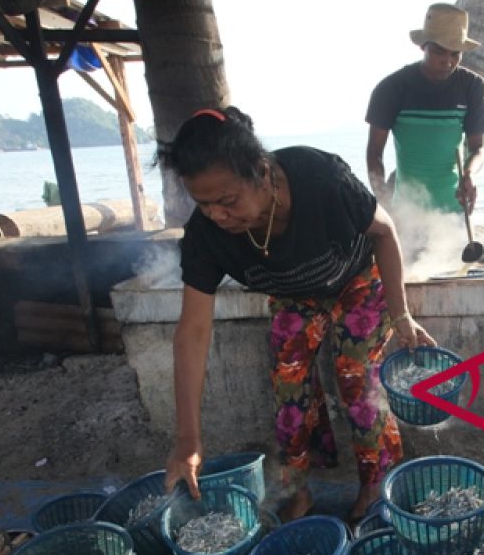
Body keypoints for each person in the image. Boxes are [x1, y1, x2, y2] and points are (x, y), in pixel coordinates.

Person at [160, 107, 436, 524]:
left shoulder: (320, 177)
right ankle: (298, 488)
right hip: (294, 296)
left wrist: (401, 316)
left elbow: (384, 231)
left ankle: (375, 483)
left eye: (228, 201)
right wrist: (187, 441)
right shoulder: (205, 235)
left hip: (356, 279)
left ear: (263, 172)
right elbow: (193, 331)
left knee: (357, 374)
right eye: (204, 203)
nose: (217, 215)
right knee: (288, 384)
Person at [366, 3, 484, 217]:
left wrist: (469, 174)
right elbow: (374, 153)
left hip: (454, 211)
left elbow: (477, 147)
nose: (448, 61)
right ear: (423, 46)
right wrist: (384, 202)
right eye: (439, 51)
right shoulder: (392, 88)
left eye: (455, 54)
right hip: (406, 211)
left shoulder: (473, 86)